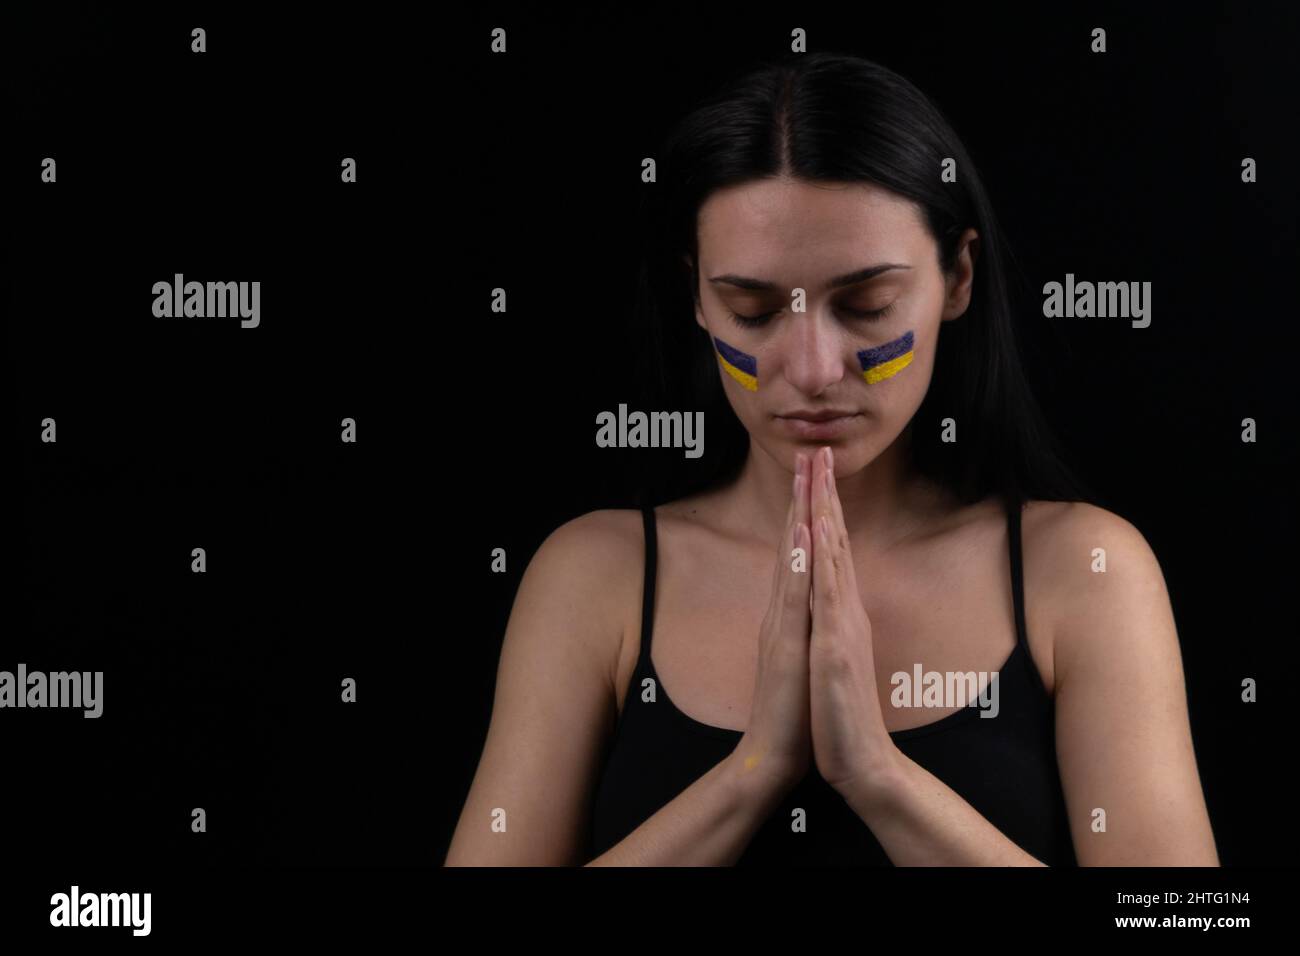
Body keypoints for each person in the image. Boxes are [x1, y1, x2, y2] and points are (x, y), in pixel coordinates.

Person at [445, 51, 1219, 866]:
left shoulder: (1086, 569)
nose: (812, 369)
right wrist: (750, 774)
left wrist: (879, 777)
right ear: (697, 299)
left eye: (866, 305)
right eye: (753, 309)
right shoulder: (593, 574)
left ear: (958, 276)